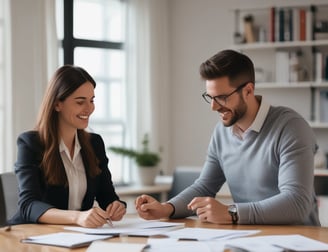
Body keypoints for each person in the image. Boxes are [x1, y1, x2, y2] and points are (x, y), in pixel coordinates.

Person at [135, 49, 320, 226]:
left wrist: (232, 213)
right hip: (252, 240)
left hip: (297, 241)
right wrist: (167, 208)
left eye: (222, 97)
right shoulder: (222, 133)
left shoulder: (291, 128)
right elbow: (204, 187)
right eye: (210, 97)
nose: (213, 107)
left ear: (248, 91)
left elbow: (297, 203)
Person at [9, 65, 126, 227]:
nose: (89, 108)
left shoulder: (94, 143)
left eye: (91, 100)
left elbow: (107, 197)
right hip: (34, 236)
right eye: (80, 102)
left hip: (76, 237)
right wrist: (77, 217)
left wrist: (116, 207)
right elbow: (28, 205)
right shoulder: (31, 143)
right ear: (57, 104)